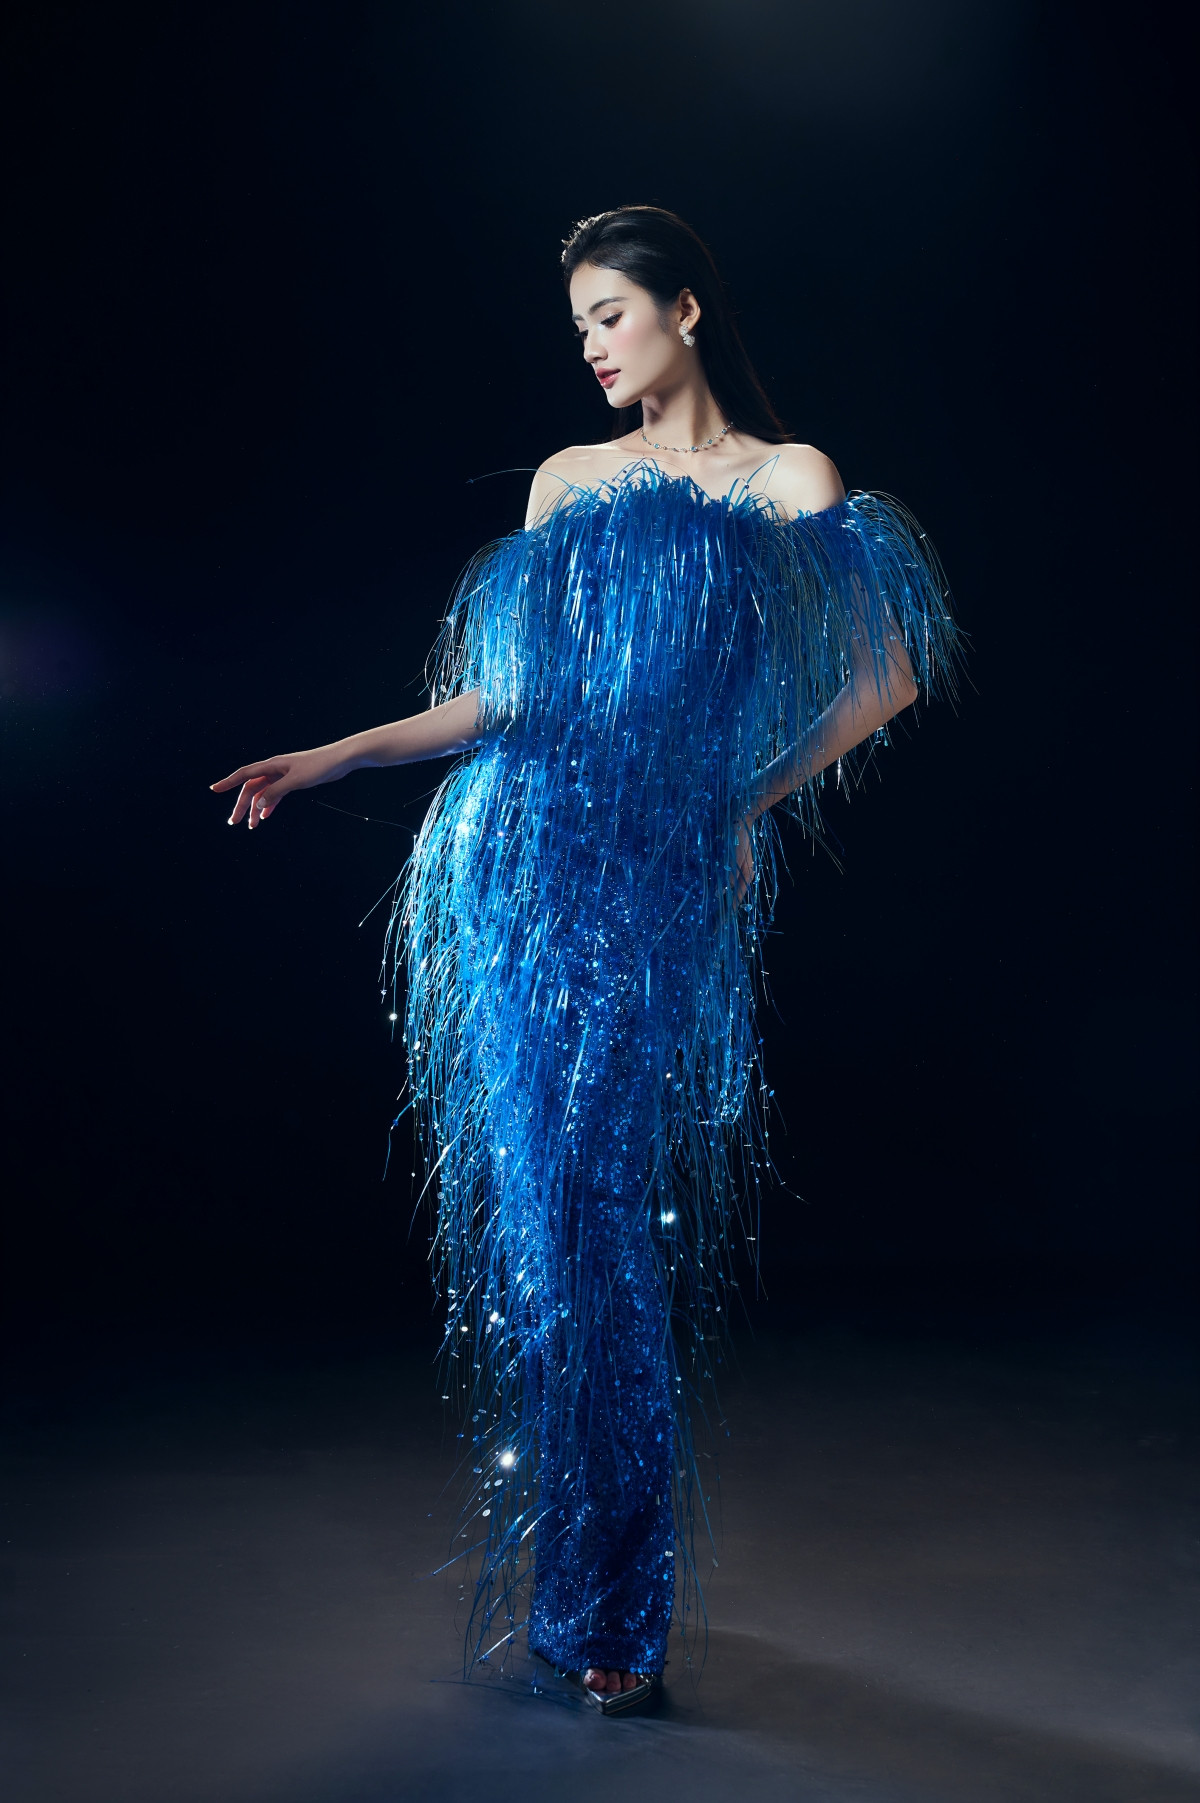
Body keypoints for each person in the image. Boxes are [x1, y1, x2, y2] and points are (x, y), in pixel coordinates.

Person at [211, 206, 957, 1716]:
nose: (595, 349)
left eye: (612, 316)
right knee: (551, 1235)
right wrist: (334, 754)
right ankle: (591, 1605)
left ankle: (611, 1609)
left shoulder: (789, 480)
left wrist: (741, 802)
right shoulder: (569, 480)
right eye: (580, 330)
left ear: (686, 309)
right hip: (521, 864)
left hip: (654, 876)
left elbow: (884, 672)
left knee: (603, 1224)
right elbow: (507, 699)